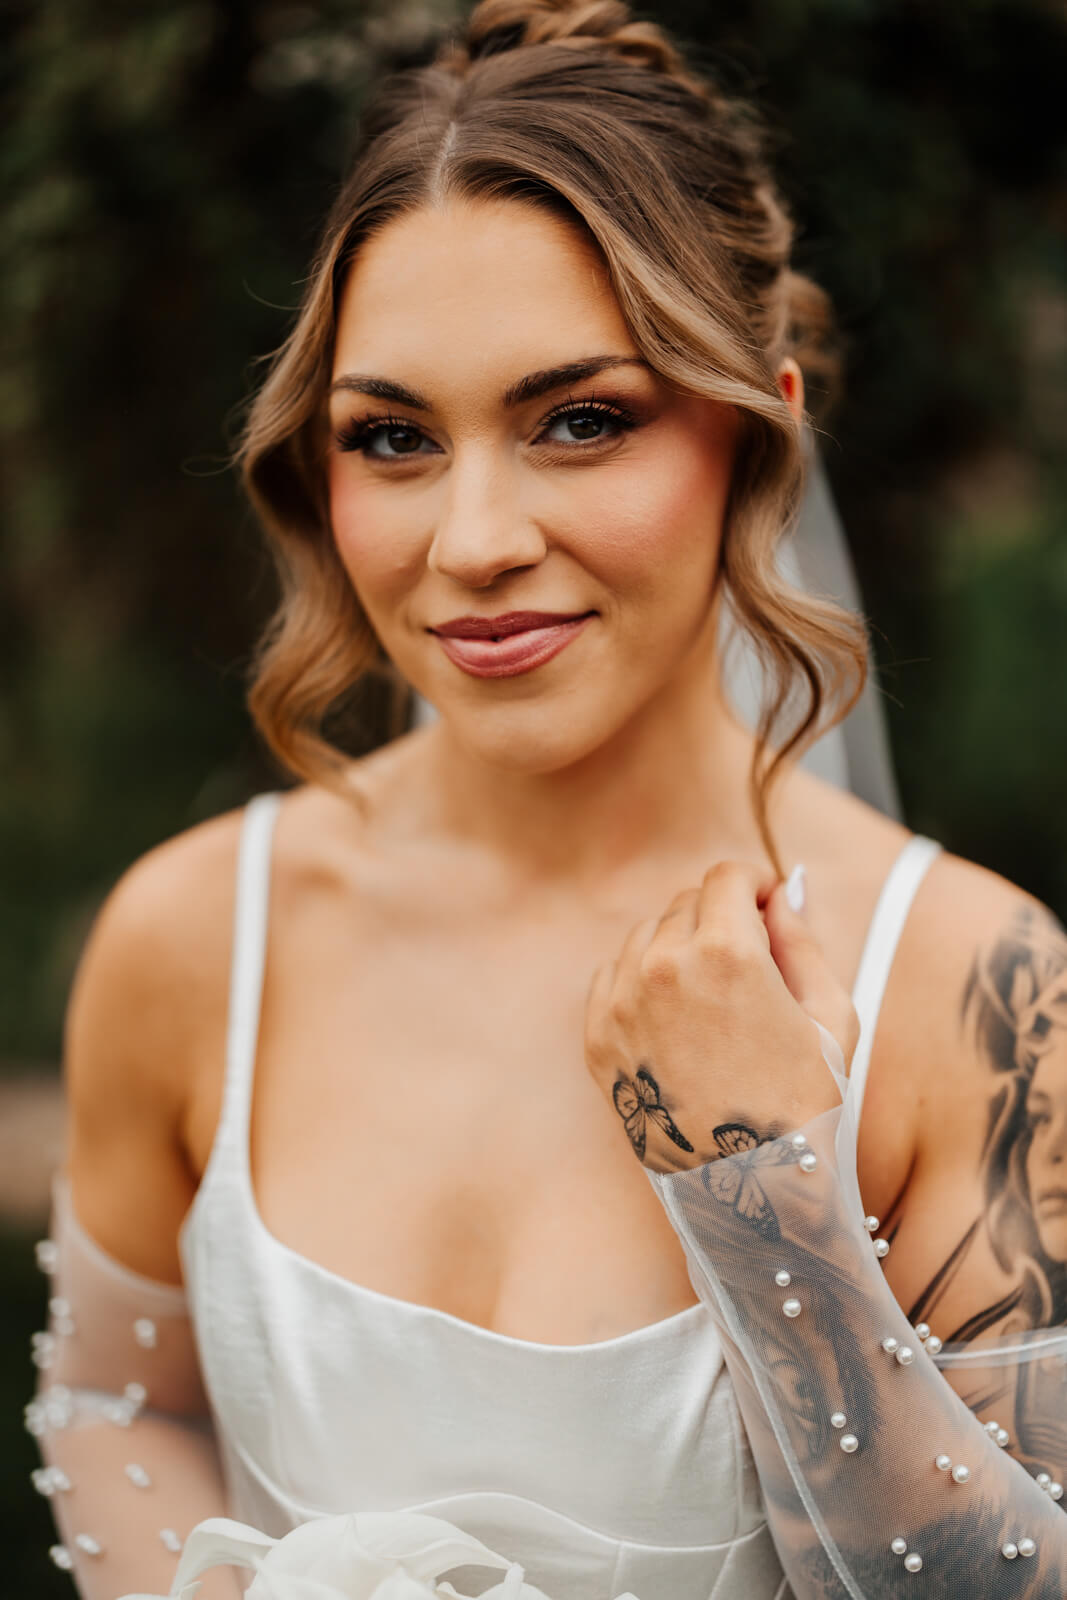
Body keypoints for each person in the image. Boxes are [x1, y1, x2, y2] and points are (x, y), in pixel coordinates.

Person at [27, 2, 1067, 1596]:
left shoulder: (975, 986)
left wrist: (760, 1190)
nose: (474, 542)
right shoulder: (192, 936)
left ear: (758, 433)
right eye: (393, 438)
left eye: (580, 420)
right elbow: (121, 1401)